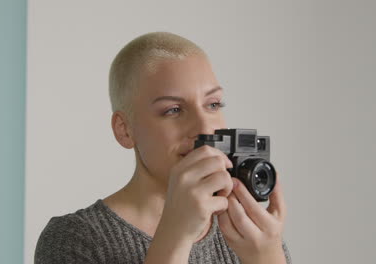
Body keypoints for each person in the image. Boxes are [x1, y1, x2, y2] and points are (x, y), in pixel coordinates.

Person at [34, 31, 292, 264]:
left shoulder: (249, 233)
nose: (204, 128)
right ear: (125, 130)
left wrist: (267, 257)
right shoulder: (76, 239)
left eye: (213, 105)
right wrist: (175, 235)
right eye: (174, 110)